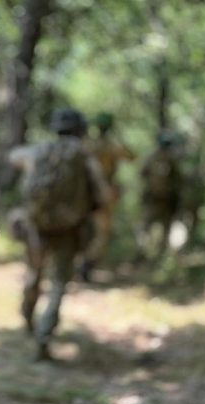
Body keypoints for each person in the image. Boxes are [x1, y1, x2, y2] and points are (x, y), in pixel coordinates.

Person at [8, 108, 110, 361]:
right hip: (68, 229)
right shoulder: (84, 156)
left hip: (37, 225)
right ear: (81, 130)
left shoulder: (38, 151)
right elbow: (105, 195)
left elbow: (14, 156)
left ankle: (28, 318)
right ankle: (44, 336)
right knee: (58, 285)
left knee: (34, 274)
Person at [79, 112, 135, 280]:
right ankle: (85, 264)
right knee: (102, 234)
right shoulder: (112, 145)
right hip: (102, 195)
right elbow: (132, 157)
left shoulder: (87, 142)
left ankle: (79, 263)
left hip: (83, 195)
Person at [137, 129, 184, 263]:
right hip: (156, 199)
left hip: (162, 200)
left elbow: (142, 175)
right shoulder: (165, 158)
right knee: (152, 227)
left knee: (154, 228)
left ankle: (153, 256)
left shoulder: (160, 158)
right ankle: (149, 255)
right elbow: (179, 179)